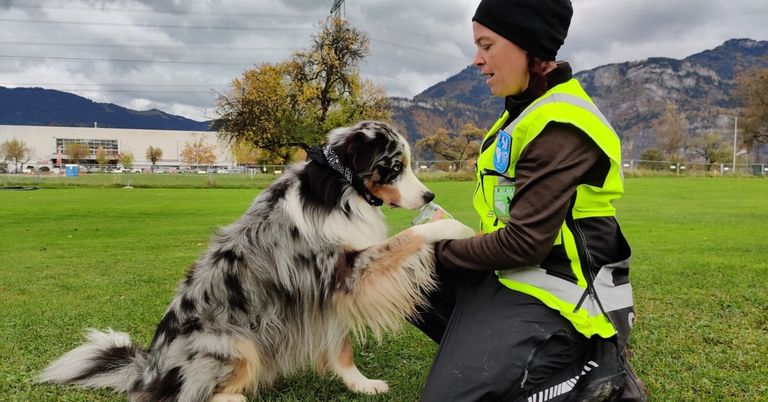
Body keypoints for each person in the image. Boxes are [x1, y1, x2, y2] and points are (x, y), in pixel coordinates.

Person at [409, 0, 647, 400]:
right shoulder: (521, 115)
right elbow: (507, 224)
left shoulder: (561, 124)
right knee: (402, 277)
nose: (477, 60)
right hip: (513, 280)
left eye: (487, 46)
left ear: (528, 45)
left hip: (564, 298)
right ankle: (496, 352)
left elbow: (525, 244)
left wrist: (442, 250)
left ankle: (591, 361)